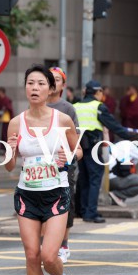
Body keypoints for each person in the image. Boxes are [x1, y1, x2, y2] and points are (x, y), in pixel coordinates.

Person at [5, 64, 81, 275]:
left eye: (40, 84)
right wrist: (10, 149)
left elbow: (78, 152)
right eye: (30, 83)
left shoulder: (62, 120)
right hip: (27, 194)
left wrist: (67, 155)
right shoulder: (16, 122)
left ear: (50, 89)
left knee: (50, 256)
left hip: (56, 192)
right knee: (31, 255)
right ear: (25, 87)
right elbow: (9, 166)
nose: (34, 88)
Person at [74, 80, 138, 223]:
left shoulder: (75, 106)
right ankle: (90, 213)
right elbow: (114, 126)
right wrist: (132, 136)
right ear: (98, 92)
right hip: (92, 148)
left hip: (77, 147)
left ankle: (83, 211)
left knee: (83, 179)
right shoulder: (98, 107)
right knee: (95, 179)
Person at [47, 66, 79, 263]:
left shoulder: (67, 109)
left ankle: (64, 244)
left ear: (63, 85)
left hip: (64, 164)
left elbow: (75, 140)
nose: (53, 82)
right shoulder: (36, 106)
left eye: (57, 79)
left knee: (65, 203)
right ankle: (48, 243)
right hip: (41, 165)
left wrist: (67, 156)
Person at [107, 139, 138, 207]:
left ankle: (115, 199)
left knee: (129, 176)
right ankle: (116, 195)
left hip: (104, 180)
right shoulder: (128, 144)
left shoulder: (116, 146)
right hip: (114, 179)